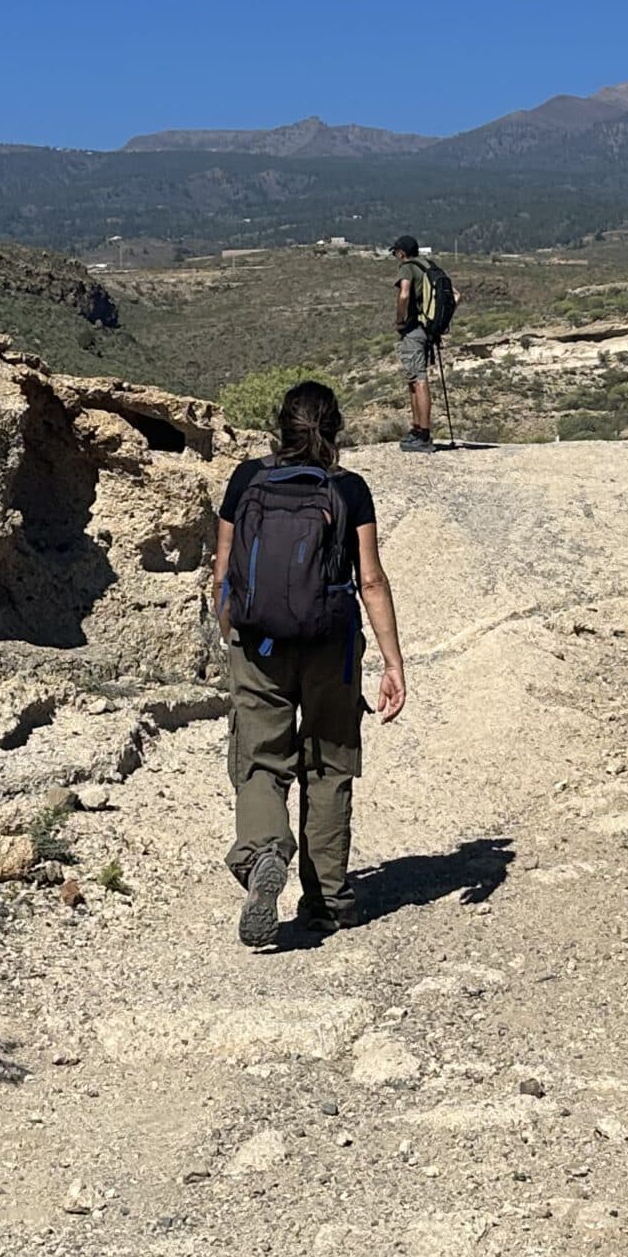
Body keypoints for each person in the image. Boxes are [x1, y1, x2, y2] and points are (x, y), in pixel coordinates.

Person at [212, 380, 407, 947]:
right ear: (336, 428)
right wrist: (393, 663)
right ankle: (326, 901)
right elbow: (370, 580)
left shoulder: (246, 480)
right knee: (328, 765)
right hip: (331, 648)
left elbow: (223, 575)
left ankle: (265, 854)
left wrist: (235, 636)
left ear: (281, 427)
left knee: (260, 762)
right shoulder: (350, 490)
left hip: (258, 647)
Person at [391, 234, 447, 452]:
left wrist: (399, 320)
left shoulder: (407, 267)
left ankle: (422, 434)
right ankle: (417, 430)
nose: (396, 257)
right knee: (413, 378)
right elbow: (456, 295)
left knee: (419, 379)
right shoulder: (430, 266)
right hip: (429, 330)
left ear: (402, 252)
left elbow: (404, 295)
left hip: (414, 329)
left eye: (396, 253)